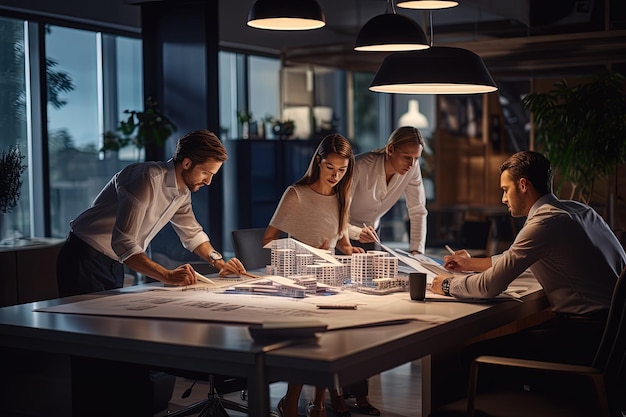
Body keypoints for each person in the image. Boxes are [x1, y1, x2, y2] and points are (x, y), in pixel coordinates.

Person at [430, 150, 626, 397]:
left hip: (582, 342)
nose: (503, 199)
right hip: (611, 338)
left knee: (473, 357)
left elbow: (488, 287)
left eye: (505, 189)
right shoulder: (581, 211)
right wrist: (470, 264)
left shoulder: (542, 224)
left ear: (523, 185)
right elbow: (517, 257)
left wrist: (446, 285)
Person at [56, 129, 247, 297]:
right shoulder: (146, 179)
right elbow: (123, 242)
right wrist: (167, 275)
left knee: (109, 328)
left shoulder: (182, 192)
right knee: (86, 329)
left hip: (114, 262)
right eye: (206, 173)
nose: (208, 182)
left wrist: (220, 262)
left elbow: (193, 234)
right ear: (187, 163)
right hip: (84, 257)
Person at [263, 133, 367, 417]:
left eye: (342, 170)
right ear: (318, 162)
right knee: (313, 338)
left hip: (330, 279)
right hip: (299, 280)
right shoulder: (296, 194)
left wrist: (352, 250)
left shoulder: (342, 196)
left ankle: (318, 404)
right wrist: (309, 251)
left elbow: (342, 243)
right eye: (330, 167)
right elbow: (268, 242)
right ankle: (292, 403)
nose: (336, 175)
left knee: (334, 334)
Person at [348, 126, 428, 255]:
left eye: (416, 158)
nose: (412, 164)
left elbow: (417, 210)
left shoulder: (412, 168)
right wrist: (355, 233)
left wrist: (416, 251)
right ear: (390, 149)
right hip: (343, 233)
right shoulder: (359, 167)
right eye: (407, 157)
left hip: (372, 235)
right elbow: (335, 213)